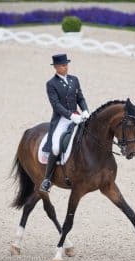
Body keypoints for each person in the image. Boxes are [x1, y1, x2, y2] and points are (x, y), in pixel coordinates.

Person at [40, 54, 90, 192]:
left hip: (78, 116)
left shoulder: (74, 80)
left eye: (66, 64)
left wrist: (85, 110)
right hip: (62, 119)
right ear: (56, 67)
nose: (65, 67)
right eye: (62, 65)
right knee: (55, 148)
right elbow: (56, 105)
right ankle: (47, 179)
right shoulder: (51, 84)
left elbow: (80, 97)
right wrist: (70, 115)